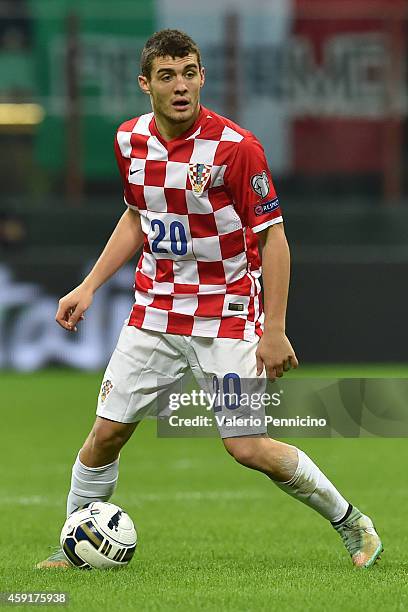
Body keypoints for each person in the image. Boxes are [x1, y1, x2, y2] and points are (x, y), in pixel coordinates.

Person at [37, 29, 382, 569]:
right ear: (145, 83)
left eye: (190, 72)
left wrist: (274, 328)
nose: (181, 86)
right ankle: (71, 548)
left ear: (202, 77)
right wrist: (89, 285)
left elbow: (274, 237)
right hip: (154, 311)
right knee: (103, 436)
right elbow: (137, 216)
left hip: (225, 315)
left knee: (247, 448)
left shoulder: (237, 148)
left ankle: (352, 522)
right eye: (168, 76)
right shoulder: (130, 140)